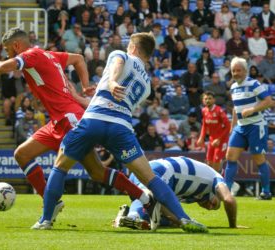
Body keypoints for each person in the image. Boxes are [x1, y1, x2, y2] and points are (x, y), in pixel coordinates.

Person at [0, 28, 157, 228]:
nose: (8, 54)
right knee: (22, 154)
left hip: (70, 119)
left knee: (96, 172)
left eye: (9, 50)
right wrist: (86, 85)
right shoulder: (49, 55)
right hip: (56, 121)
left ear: (17, 46)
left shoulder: (31, 55)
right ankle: (50, 202)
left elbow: (4, 66)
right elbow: (79, 58)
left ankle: (142, 196)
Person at [37, 32, 208, 232]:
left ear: (133, 48)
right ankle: (184, 218)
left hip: (94, 121)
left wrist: (111, 82)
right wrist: (90, 93)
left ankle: (45, 220)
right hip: (120, 128)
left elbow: (117, 66)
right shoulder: (146, 85)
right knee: (151, 178)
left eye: (129, 46)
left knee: (60, 167)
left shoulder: (121, 55)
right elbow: (117, 103)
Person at [113, 156, 239, 230]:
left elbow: (162, 206)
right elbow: (228, 200)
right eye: (214, 203)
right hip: (159, 171)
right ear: (215, 195)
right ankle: (132, 215)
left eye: (211, 208)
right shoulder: (216, 178)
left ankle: (130, 214)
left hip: (144, 171)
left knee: (151, 211)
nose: (209, 206)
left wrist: (178, 221)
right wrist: (233, 226)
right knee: (153, 201)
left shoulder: (192, 195)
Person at [225, 57, 273, 200]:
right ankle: (226, 190)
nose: (236, 73)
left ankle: (266, 192)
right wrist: (232, 127)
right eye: (233, 71)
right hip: (240, 127)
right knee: (230, 157)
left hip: (256, 126)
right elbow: (235, 109)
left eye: (238, 70)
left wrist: (252, 109)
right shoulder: (233, 87)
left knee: (258, 159)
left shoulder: (254, 84)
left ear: (245, 71)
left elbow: (268, 101)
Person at [197, 91, 230, 172]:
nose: (207, 100)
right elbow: (204, 125)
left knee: (216, 162)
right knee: (209, 162)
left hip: (221, 140)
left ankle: (220, 180)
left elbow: (228, 126)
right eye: (205, 99)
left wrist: (219, 139)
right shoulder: (204, 110)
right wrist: (201, 138)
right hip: (212, 140)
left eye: (209, 98)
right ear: (203, 101)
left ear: (214, 100)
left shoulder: (219, 111)